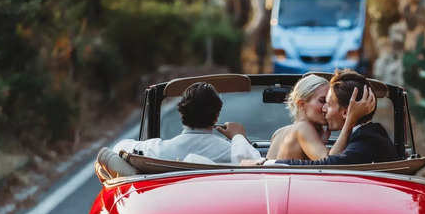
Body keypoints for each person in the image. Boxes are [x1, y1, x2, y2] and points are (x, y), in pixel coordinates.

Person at [261, 70, 397, 166]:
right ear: (302, 104)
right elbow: (328, 166)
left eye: (328, 102)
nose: (325, 108)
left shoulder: (280, 132)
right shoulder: (303, 128)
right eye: (322, 101)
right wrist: (349, 122)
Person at [113, 82, 259, 163]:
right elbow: (255, 163)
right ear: (216, 116)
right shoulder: (230, 152)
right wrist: (238, 136)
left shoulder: (160, 150)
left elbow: (119, 148)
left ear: (182, 113)